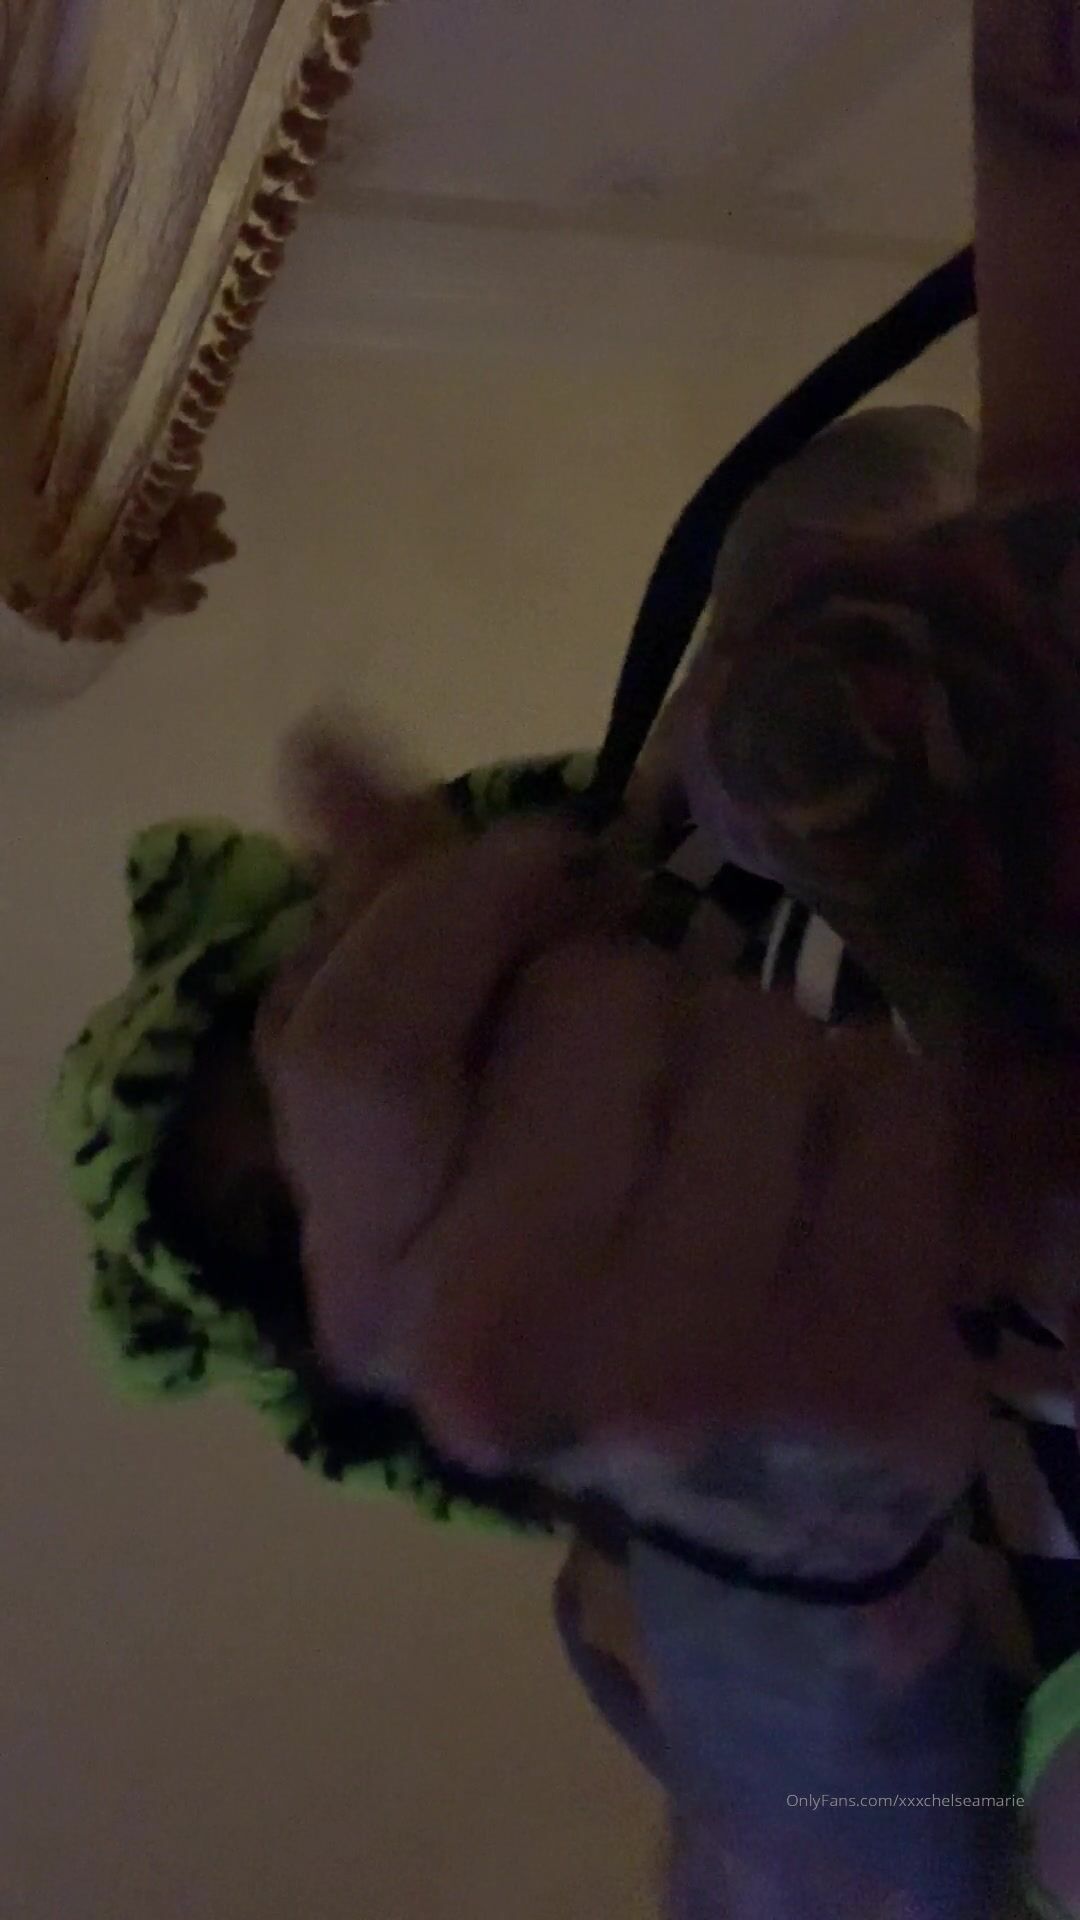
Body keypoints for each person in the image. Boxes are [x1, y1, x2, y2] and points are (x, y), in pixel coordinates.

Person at [49, 0, 1080, 1912]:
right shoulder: (678, 1584)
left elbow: (903, 455)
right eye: (290, 1219)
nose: (367, 1116)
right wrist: (786, 1565)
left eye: (287, 1020)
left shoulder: (722, 785)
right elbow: (860, 1868)